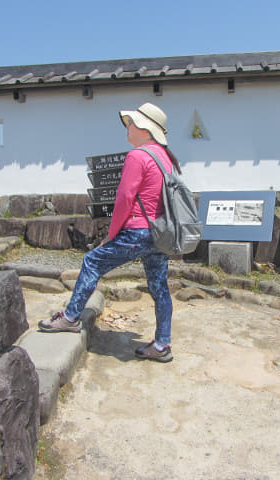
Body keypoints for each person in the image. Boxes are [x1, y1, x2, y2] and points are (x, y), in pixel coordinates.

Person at [38, 102, 183, 363]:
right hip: (160, 234)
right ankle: (162, 344)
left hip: (138, 231)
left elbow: (125, 199)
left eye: (131, 123)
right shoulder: (166, 158)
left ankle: (70, 318)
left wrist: (111, 234)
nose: (127, 127)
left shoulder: (137, 156)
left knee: (92, 261)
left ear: (144, 128)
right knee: (160, 287)